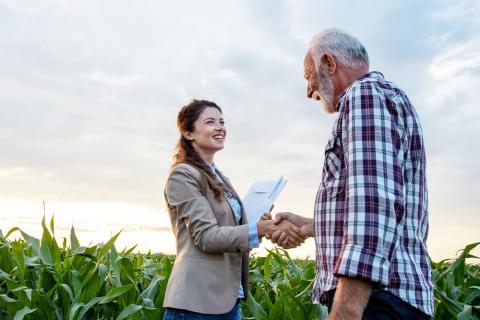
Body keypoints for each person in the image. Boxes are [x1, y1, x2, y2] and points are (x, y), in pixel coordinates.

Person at [268, 29, 434, 319]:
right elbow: (381, 205)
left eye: (308, 76)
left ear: (329, 64)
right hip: (383, 299)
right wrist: (310, 226)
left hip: (376, 301)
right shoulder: (381, 98)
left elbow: (373, 207)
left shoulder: (364, 95)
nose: (308, 90)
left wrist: (345, 310)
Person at [162, 99, 304, 320]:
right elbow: (206, 236)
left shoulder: (220, 177)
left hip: (229, 301)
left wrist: (259, 223)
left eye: (221, 121)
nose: (220, 127)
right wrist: (258, 229)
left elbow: (230, 231)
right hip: (196, 303)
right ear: (188, 133)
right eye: (210, 122)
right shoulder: (183, 175)